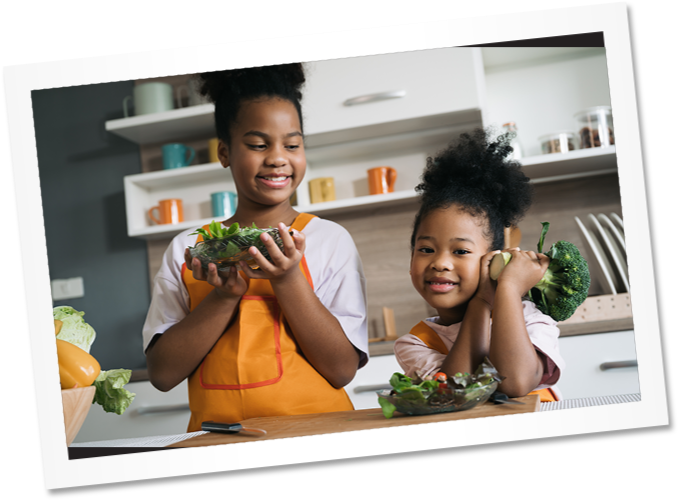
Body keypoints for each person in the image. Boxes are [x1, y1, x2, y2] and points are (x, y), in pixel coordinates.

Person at [142, 63, 369, 431]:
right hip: (217, 444)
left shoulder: (329, 240)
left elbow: (342, 370)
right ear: (225, 153)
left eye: (292, 145)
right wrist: (223, 297)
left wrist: (288, 279)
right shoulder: (188, 250)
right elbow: (163, 374)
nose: (278, 157)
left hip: (318, 433)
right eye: (258, 144)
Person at [394, 128, 564, 401]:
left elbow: (516, 382)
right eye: (426, 249)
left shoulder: (530, 318)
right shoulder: (415, 343)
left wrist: (506, 289)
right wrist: (480, 304)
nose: (440, 263)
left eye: (460, 250)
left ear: (494, 258)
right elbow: (451, 394)